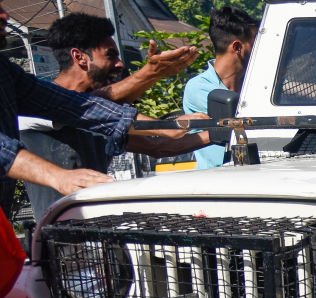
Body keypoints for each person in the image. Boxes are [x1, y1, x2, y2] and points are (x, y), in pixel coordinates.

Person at [20, 12, 208, 223]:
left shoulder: (104, 116)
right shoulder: (33, 109)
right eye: (111, 55)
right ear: (80, 57)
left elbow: (159, 146)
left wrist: (219, 131)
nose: (120, 64)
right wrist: (151, 73)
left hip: (102, 234)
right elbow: (81, 107)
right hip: (57, 239)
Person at [0, 0, 138, 217]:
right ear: (79, 57)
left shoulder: (5, 72)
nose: (4, 16)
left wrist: (179, 125)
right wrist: (59, 176)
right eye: (111, 56)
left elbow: (72, 104)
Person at [182, 6, 257, 169]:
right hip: (216, 183)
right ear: (237, 47)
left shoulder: (255, 84)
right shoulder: (198, 88)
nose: (259, 49)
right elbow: (245, 123)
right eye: (254, 42)